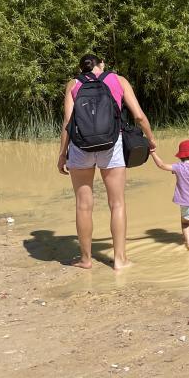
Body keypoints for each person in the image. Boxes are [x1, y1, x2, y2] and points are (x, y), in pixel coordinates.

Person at [57, 54, 156, 269]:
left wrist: (62, 154)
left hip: (80, 148)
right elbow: (138, 115)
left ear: (82, 68)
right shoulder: (118, 80)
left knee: (83, 206)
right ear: (101, 65)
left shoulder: (73, 84)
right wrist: (150, 138)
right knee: (117, 203)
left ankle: (85, 260)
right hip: (112, 146)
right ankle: (120, 260)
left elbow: (67, 122)